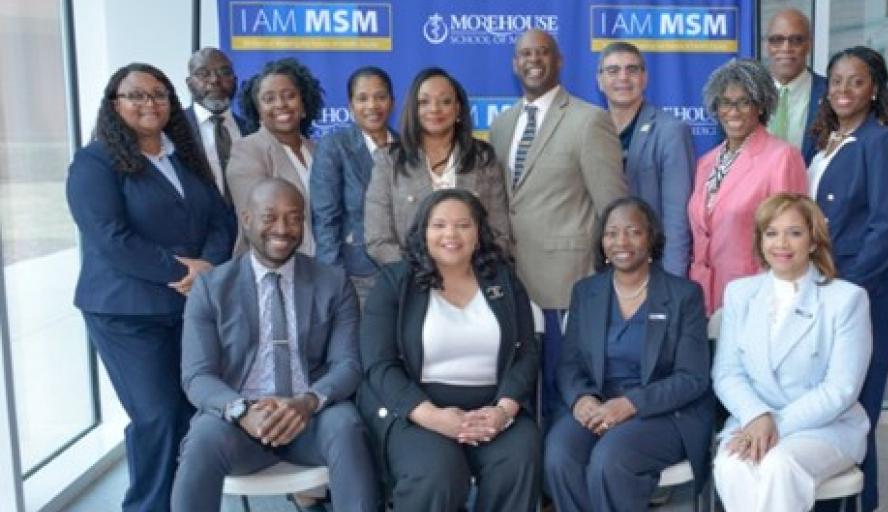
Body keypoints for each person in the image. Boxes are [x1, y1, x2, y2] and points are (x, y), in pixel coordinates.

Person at [66, 63, 234, 512]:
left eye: (159, 94)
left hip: (189, 309)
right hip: (127, 313)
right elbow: (111, 238)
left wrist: (210, 265)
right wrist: (181, 270)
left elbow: (222, 218)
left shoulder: (184, 155)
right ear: (114, 104)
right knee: (156, 418)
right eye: (136, 95)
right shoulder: (94, 162)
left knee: (187, 413)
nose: (150, 103)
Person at [172, 178, 377, 512]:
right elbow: (197, 376)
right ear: (247, 219)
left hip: (312, 415)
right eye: (270, 217)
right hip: (238, 419)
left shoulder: (333, 282)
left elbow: (348, 365)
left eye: (294, 217)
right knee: (201, 441)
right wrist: (241, 411)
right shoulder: (211, 288)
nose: (282, 228)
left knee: (347, 426)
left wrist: (306, 403)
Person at [358, 189, 540, 512]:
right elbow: (379, 364)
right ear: (423, 232)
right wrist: (432, 416)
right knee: (438, 473)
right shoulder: (395, 282)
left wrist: (504, 411)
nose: (451, 234)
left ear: (478, 233)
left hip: (492, 409)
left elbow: (526, 354)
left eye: (463, 225)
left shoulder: (504, 281)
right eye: (439, 225)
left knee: (519, 456)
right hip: (417, 411)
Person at [489, 29, 628, 419]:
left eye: (543, 52)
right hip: (512, 283)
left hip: (567, 283)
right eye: (525, 54)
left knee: (562, 394)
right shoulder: (502, 124)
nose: (534, 60)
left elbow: (613, 207)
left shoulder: (589, 120)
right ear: (515, 64)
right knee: (520, 397)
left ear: (560, 60)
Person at [544, 197, 714, 512]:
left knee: (611, 458)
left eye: (633, 231)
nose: (621, 241)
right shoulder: (587, 292)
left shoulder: (683, 295)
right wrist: (582, 400)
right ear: (602, 242)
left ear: (651, 238)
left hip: (662, 412)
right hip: (597, 403)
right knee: (560, 455)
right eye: (611, 233)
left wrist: (629, 405)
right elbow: (569, 364)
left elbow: (693, 378)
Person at [807, 46, 888, 512]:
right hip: (825, 288)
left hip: (863, 292)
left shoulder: (884, 141)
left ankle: (860, 503)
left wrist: (844, 289)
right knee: (832, 400)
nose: (843, 90)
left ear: (875, 89)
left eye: (855, 81)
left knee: (858, 404)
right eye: (835, 81)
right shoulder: (827, 139)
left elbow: (885, 227)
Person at [712, 193, 872, 512]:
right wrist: (757, 417)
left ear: (813, 242)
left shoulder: (847, 300)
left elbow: (841, 389)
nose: (781, 243)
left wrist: (774, 425)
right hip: (751, 419)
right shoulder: (741, 293)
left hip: (824, 427)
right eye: (771, 233)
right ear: (760, 241)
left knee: (778, 465)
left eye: (794, 233)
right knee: (732, 464)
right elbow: (727, 373)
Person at [688, 58, 808, 315]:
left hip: (756, 296)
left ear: (761, 106)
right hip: (704, 293)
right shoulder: (706, 162)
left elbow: (792, 236)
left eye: (744, 102)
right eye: (725, 102)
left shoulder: (782, 157)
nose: (733, 111)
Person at [364, 67, 511, 265]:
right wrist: (424, 273)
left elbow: (499, 233)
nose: (434, 109)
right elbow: (378, 240)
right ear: (414, 110)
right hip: (412, 282)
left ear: (458, 110)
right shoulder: (389, 160)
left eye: (445, 101)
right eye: (424, 102)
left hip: (474, 280)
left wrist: (465, 274)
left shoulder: (483, 158)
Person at [596, 42, 696, 277]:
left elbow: (677, 218)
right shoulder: (590, 129)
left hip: (653, 270)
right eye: (613, 71)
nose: (623, 77)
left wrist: (672, 283)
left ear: (645, 78)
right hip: (601, 271)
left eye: (632, 70)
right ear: (599, 80)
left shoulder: (670, 131)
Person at [310, 66, 397, 304]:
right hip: (356, 276)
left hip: (404, 274)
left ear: (392, 102)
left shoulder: (408, 148)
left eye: (380, 97)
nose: (372, 106)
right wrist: (332, 281)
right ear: (350, 106)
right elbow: (325, 220)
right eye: (362, 98)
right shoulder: (334, 147)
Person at [227, 57, 324, 256]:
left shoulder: (320, 150)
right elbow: (261, 223)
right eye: (269, 99)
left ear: (304, 105)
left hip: (325, 271)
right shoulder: (247, 150)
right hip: (276, 269)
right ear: (258, 112)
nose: (281, 104)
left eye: (289, 95)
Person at [183, 47, 253, 206]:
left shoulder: (251, 130)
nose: (215, 80)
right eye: (203, 73)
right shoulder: (172, 129)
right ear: (189, 83)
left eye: (224, 72)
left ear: (235, 80)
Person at [764, 9, 827, 165]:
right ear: (766, 45)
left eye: (796, 40)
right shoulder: (747, 94)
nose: (786, 48)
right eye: (777, 39)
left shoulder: (831, 94)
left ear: (809, 45)